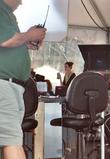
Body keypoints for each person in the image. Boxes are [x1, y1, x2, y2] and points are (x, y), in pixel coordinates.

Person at [0, 0, 46, 158]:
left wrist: (28, 41)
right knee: (12, 141)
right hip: (4, 84)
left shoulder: (8, 14)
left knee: (10, 138)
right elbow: (6, 40)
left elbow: (11, 41)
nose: (21, 3)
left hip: (12, 86)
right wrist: (29, 35)